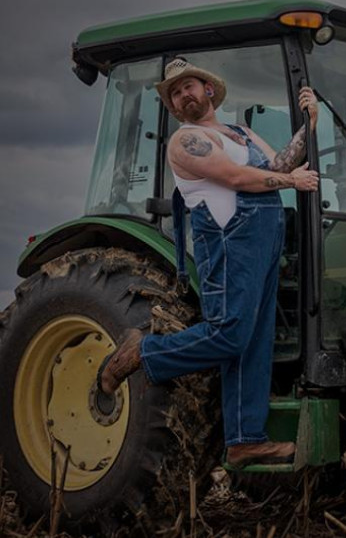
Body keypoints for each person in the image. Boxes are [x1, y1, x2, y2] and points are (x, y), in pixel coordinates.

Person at [98, 57, 319, 468]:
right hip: (228, 242)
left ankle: (244, 440)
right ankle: (143, 352)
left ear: (209, 90)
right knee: (231, 334)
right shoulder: (186, 142)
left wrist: (311, 123)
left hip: (266, 240)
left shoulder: (241, 132)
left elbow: (278, 164)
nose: (184, 95)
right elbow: (236, 179)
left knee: (256, 341)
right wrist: (292, 183)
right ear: (173, 108)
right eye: (176, 93)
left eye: (189, 86)